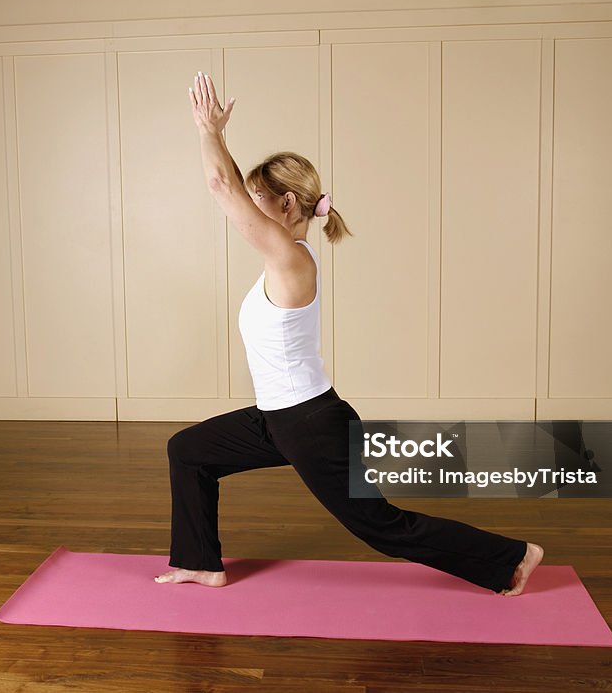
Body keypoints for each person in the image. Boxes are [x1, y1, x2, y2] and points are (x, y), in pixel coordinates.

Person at [154, 71, 543, 596]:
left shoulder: (291, 260)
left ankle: (511, 557)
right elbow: (229, 190)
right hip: (280, 416)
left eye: (258, 199)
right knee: (190, 450)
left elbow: (220, 186)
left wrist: (210, 132)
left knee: (380, 528)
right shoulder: (284, 260)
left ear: (287, 203)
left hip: (309, 423)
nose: (248, 208)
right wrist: (218, 140)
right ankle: (201, 562)